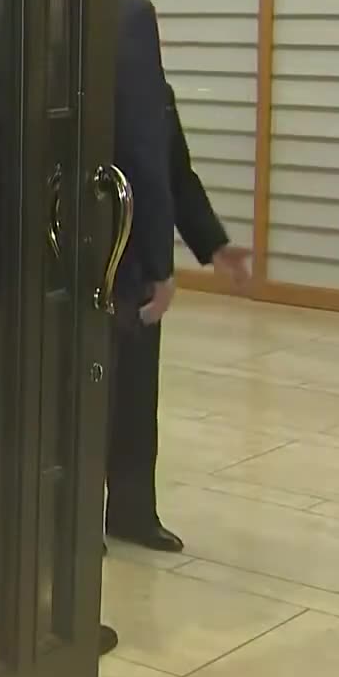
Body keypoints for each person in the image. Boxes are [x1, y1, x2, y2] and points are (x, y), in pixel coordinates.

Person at [0, 0, 185, 658]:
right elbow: (140, 148)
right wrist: (154, 261)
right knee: (71, 433)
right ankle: (60, 611)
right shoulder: (120, 12)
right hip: (78, 256)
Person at [104, 54, 253, 554]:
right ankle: (71, 520)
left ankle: (130, 513)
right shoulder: (68, 83)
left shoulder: (153, 88)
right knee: (78, 400)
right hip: (84, 258)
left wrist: (211, 243)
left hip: (145, 262)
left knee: (136, 397)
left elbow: (175, 174)